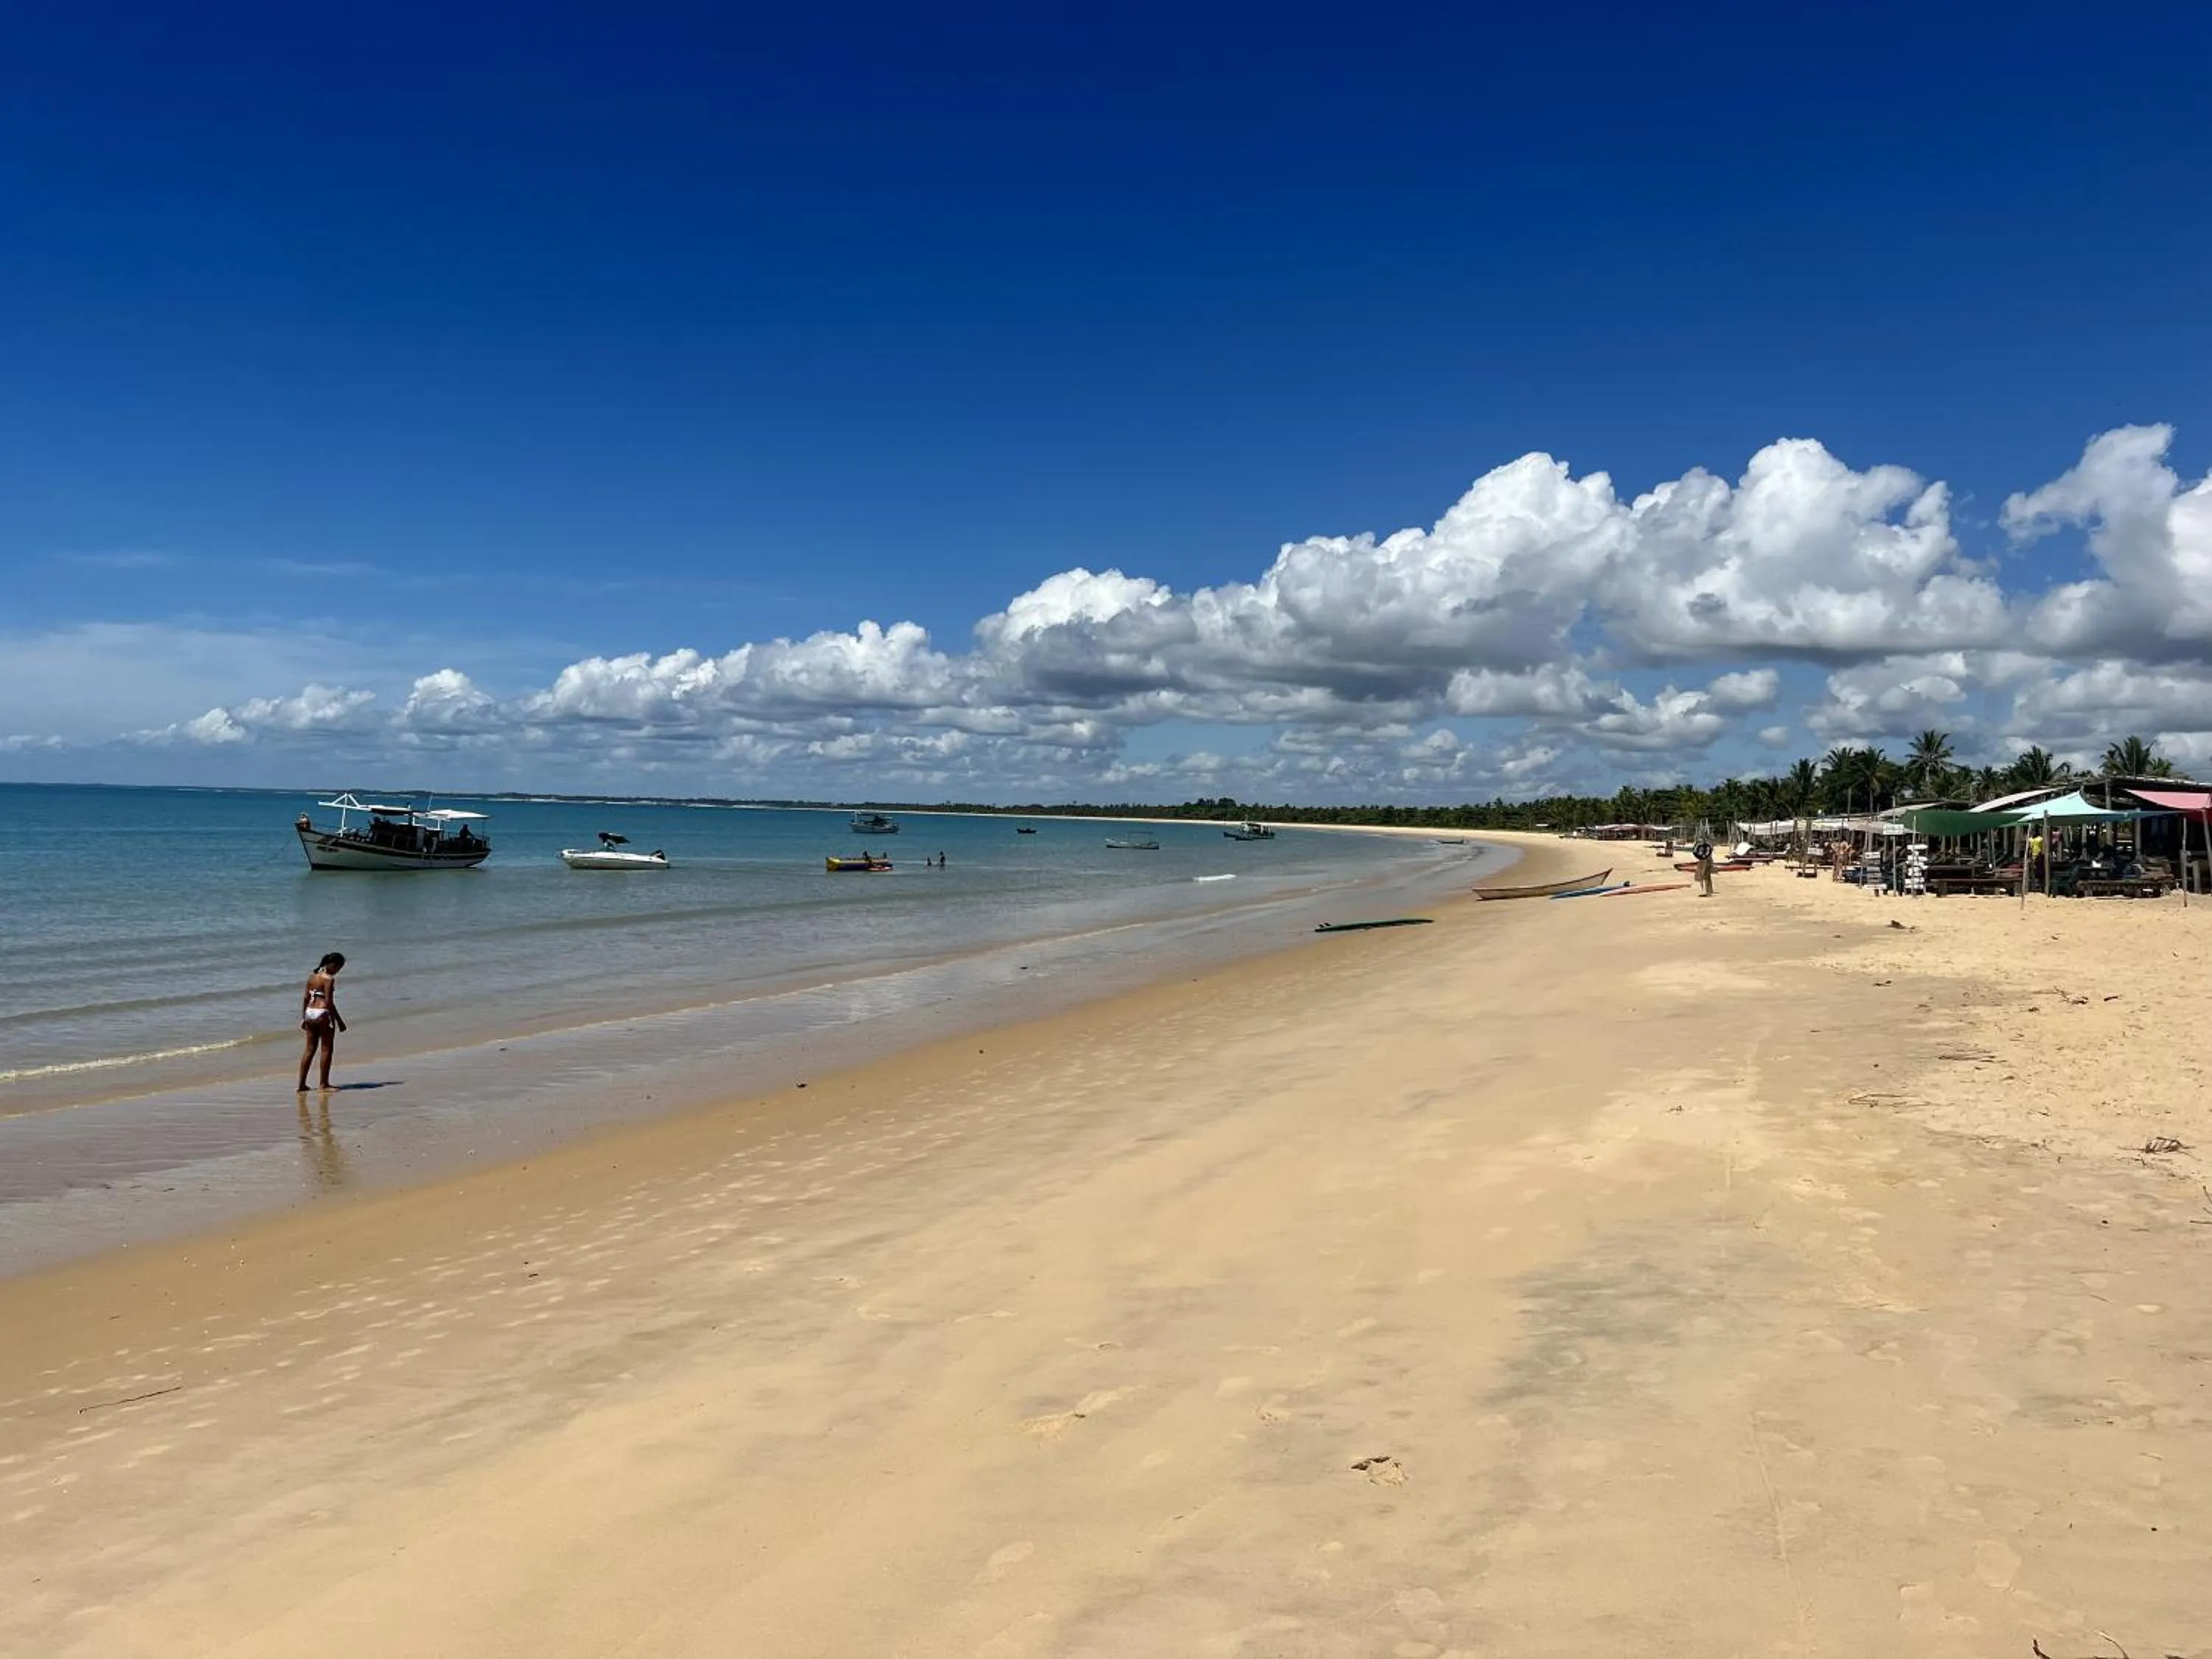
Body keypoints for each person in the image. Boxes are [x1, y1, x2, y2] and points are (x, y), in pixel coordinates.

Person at [296, 951, 348, 1091]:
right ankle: (323, 1084)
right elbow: (329, 1002)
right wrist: (340, 1021)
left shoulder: (312, 977)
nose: (338, 971)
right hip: (323, 1013)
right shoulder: (329, 979)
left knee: (309, 1050)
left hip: (310, 1012)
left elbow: (306, 998)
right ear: (331, 965)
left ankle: (301, 1084)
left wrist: (304, 1017)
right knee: (326, 1049)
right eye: (338, 967)